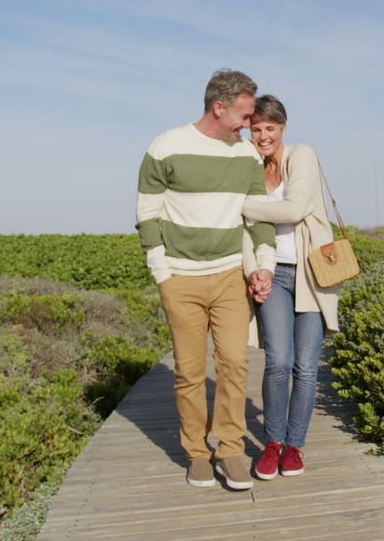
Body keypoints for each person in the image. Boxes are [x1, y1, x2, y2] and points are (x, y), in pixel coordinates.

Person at [135, 69, 276, 491]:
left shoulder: (246, 156)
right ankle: (197, 453)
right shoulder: (166, 147)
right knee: (190, 372)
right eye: (245, 114)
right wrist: (162, 271)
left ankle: (230, 449)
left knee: (234, 365)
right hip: (181, 279)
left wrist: (263, 263)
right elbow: (147, 214)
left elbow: (257, 216)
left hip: (231, 276)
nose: (249, 124)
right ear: (219, 107)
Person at [241, 95, 340, 480]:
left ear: (283, 127)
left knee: (305, 366)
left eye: (270, 128)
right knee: (278, 362)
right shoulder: (248, 166)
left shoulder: (302, 155)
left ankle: (295, 446)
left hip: (311, 273)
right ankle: (273, 443)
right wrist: (254, 271)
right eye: (257, 129)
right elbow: (244, 234)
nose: (263, 136)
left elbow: (294, 209)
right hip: (272, 274)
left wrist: (244, 206)